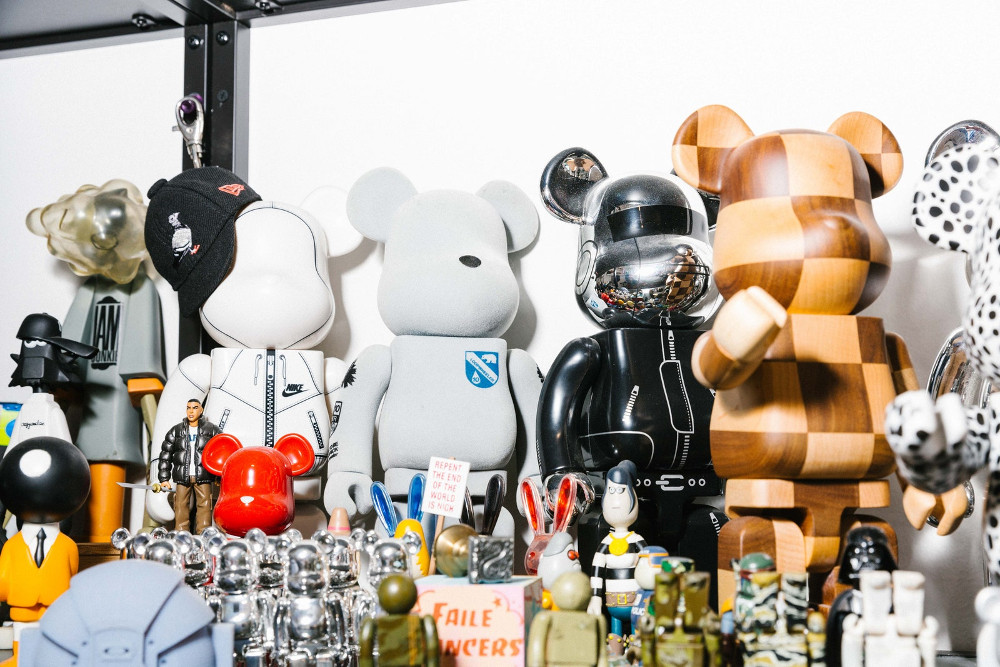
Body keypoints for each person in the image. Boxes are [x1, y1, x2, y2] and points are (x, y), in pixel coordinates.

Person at [157, 399, 219, 533]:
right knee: (180, 505)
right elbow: (165, 454)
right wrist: (164, 478)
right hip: (182, 476)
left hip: (203, 475)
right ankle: (181, 534)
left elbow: (221, 452)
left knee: (205, 505)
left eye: (195, 408)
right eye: (188, 408)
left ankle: (204, 534)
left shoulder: (212, 430)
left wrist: (219, 477)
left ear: (201, 410)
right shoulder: (177, 430)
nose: (191, 411)